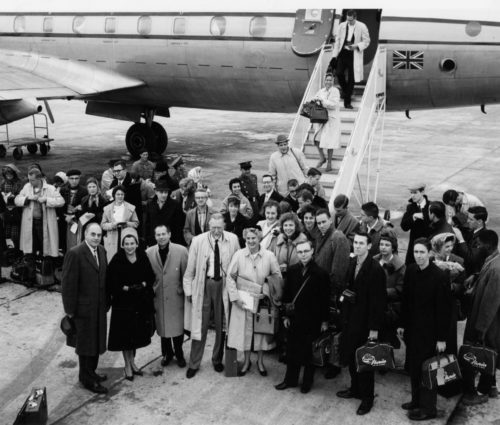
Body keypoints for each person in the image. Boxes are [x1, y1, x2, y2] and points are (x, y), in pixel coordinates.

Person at [400, 237, 452, 421]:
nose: (419, 256)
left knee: (427, 370)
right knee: (413, 368)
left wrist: (441, 339)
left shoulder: (439, 277)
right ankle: (416, 401)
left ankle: (428, 408)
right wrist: (401, 324)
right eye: (416, 252)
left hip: (430, 334)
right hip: (413, 331)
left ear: (429, 253)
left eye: (422, 252)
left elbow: (444, 310)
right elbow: (405, 301)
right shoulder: (411, 271)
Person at [183, 214, 240, 378]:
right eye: (213, 227)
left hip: (224, 286)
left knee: (222, 325)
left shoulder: (233, 239)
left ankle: (217, 360)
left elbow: (237, 266)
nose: (216, 231)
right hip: (205, 285)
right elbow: (190, 269)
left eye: (219, 228)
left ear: (224, 226)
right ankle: (194, 363)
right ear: (209, 226)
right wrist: (189, 291)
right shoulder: (198, 240)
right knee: (200, 325)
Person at [337, 232, 386, 416]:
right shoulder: (352, 262)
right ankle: (354, 389)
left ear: (369, 245)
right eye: (355, 243)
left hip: (365, 324)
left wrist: (374, 329)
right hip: (350, 320)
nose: (356, 246)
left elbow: (379, 303)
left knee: (365, 362)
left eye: (360, 243)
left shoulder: (375, 269)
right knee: (351, 357)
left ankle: (367, 399)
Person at [275, 239, 329, 393]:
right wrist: (285, 316)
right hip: (294, 317)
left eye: (306, 251)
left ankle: (307, 382)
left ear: (312, 251)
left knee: (308, 352)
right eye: (300, 252)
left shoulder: (321, 274)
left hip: (313, 319)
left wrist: (324, 321)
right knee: (292, 350)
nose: (303, 254)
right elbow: (287, 295)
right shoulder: (292, 270)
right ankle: (290, 380)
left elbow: (324, 300)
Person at [226, 227, 282, 376]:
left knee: (261, 333)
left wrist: (265, 292)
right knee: (245, 332)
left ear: (259, 239)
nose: (251, 241)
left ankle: (260, 361)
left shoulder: (269, 256)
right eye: (248, 238)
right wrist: (235, 297)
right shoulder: (238, 255)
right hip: (243, 302)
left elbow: (277, 277)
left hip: (261, 302)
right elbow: (230, 277)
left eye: (254, 238)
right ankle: (246, 361)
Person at [61, 223, 108, 394]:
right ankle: (87, 379)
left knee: (96, 342)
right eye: (93, 234)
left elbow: (104, 278)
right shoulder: (75, 253)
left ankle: (91, 373)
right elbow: (67, 284)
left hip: (99, 307)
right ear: (85, 234)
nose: (96, 237)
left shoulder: (102, 250)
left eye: (99, 235)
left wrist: (106, 302)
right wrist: (70, 310)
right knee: (85, 345)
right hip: (83, 310)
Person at [107, 229, 155, 380]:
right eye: (126, 244)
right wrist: (125, 288)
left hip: (139, 303)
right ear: (122, 245)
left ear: (136, 243)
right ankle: (127, 365)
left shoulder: (142, 256)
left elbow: (150, 276)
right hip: (123, 304)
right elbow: (111, 281)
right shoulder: (117, 259)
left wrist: (143, 284)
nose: (129, 247)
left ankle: (133, 362)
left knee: (135, 335)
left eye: (132, 243)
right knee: (125, 337)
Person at [462, 230, 500, 405]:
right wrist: (476, 277)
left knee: (483, 354)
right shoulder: (492, 260)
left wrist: (481, 330)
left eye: (478, 245)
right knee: (488, 354)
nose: (476, 249)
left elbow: (490, 303)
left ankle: (482, 392)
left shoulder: (496, 269)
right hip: (485, 322)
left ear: (489, 246)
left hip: (486, 323)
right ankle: (491, 387)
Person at [314, 208, 350, 379]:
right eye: (318, 222)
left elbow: (338, 271)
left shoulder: (339, 238)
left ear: (330, 220)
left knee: (334, 330)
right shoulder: (321, 236)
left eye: (323, 221)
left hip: (332, 292)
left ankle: (335, 365)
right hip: (320, 290)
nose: (321, 225)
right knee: (324, 328)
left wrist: (333, 294)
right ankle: (322, 358)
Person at [147, 225, 189, 368]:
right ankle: (167, 353)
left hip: (176, 295)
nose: (161, 237)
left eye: (164, 234)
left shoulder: (181, 251)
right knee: (163, 328)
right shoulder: (149, 252)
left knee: (177, 327)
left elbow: (187, 274)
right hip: (159, 295)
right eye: (158, 235)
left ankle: (179, 353)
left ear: (169, 234)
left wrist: (183, 290)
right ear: (155, 236)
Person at [273, 212, 309, 362]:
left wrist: (288, 268)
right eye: (285, 225)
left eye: (291, 225)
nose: (288, 228)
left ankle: (292, 349)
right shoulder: (279, 240)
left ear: (296, 226)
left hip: (296, 282)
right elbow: (274, 257)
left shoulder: (303, 240)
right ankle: (282, 347)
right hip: (281, 282)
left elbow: (304, 261)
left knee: (293, 314)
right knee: (281, 314)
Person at [15, 167, 64, 259]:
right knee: (31, 244)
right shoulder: (27, 187)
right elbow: (17, 200)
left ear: (39, 178)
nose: (30, 182)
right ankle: (31, 264)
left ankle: (45, 264)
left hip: (44, 222)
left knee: (44, 244)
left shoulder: (50, 188)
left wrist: (46, 200)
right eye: (29, 179)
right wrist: (27, 198)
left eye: (32, 180)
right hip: (30, 222)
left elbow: (61, 201)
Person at [430, 233, 465, 356]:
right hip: (431, 304)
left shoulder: (458, 261)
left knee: (449, 337)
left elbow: (462, 285)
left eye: (451, 246)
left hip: (450, 305)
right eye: (446, 246)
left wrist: (451, 287)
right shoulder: (429, 259)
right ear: (438, 247)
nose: (450, 249)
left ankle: (449, 366)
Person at [331, 9, 370, 109]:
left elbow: (367, 41)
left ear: (355, 18)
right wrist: (334, 56)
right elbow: (337, 42)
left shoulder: (362, 26)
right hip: (343, 53)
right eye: (347, 20)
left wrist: (356, 46)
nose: (349, 22)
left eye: (351, 20)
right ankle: (346, 91)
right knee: (339, 73)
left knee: (352, 80)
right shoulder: (342, 26)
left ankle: (347, 102)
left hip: (354, 55)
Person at [374, 230, 405, 349]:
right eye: (381, 244)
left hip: (389, 308)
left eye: (387, 245)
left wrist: (383, 292)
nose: (383, 248)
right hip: (374, 306)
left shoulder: (400, 266)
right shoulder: (374, 261)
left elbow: (400, 289)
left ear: (393, 248)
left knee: (386, 341)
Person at [310, 74, 341, 171]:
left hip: (331, 119)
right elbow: (314, 99)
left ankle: (329, 163)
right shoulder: (321, 91)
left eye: (330, 80)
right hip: (321, 118)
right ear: (324, 81)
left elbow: (334, 104)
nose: (328, 82)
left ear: (333, 81)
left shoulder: (335, 91)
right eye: (326, 80)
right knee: (316, 139)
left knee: (330, 143)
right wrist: (315, 100)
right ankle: (322, 157)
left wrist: (322, 101)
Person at [101, 185, 139, 261]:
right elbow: (103, 225)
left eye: (122, 194)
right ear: (114, 195)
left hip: (126, 236)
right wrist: (112, 225)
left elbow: (136, 223)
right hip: (112, 238)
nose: (120, 196)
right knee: (113, 260)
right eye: (118, 194)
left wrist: (127, 224)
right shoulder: (107, 208)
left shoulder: (130, 207)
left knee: (125, 259)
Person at [144, 179, 185, 246]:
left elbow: (179, 226)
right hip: (154, 241)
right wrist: (147, 241)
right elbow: (147, 224)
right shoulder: (150, 204)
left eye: (166, 192)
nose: (164, 195)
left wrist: (177, 243)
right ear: (156, 192)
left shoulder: (175, 205)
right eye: (161, 192)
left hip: (171, 241)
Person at [400, 183, 431, 264]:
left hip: (428, 245)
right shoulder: (411, 207)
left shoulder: (431, 206)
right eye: (411, 193)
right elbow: (404, 226)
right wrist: (413, 217)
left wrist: (424, 215)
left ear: (422, 192)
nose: (413, 195)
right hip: (414, 245)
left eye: (415, 193)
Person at [455, 206, 489, 276]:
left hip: (473, 275)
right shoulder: (472, 230)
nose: (467, 221)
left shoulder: (484, 238)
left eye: (471, 219)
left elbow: (471, 259)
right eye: (468, 218)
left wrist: (461, 239)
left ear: (479, 221)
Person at [58, 169, 87, 253]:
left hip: (77, 220)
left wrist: (74, 215)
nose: (74, 181)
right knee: (64, 241)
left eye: (76, 178)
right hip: (64, 219)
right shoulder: (63, 190)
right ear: (68, 179)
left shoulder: (84, 191)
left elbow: (84, 208)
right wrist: (65, 216)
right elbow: (59, 207)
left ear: (79, 179)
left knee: (76, 241)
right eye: (72, 178)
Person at [1, 164, 23, 249]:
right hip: (6, 210)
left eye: (10, 174)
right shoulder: (3, 182)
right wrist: (3, 194)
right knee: (6, 230)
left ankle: (16, 248)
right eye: (7, 174)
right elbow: (1, 191)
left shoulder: (18, 182)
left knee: (15, 232)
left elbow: (19, 194)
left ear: (14, 174)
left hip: (15, 210)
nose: (8, 176)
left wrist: (12, 196)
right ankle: (9, 249)